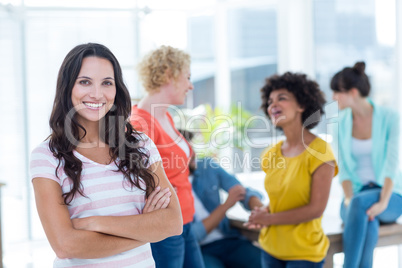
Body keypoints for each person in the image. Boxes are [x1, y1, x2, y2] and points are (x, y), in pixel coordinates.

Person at [30, 43, 182, 267]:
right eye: (85, 82)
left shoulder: (141, 145)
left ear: (116, 89)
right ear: (67, 87)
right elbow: (65, 245)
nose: (96, 93)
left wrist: (93, 223)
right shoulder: (46, 157)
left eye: (107, 83)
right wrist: (145, 227)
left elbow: (172, 223)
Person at [245, 72, 338, 268]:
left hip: (304, 253)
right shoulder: (270, 154)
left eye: (282, 98)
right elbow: (283, 199)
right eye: (270, 101)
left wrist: (268, 218)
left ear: (302, 105)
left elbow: (315, 209)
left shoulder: (320, 151)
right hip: (270, 248)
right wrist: (263, 211)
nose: (273, 105)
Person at [130, 46, 204, 268]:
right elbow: (140, 182)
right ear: (168, 75)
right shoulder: (140, 123)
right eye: (187, 77)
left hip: (185, 220)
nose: (191, 85)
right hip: (166, 227)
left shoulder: (166, 117)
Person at [330, 61, 402, 268]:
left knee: (362, 207)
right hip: (354, 199)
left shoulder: (390, 118)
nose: (333, 97)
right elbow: (342, 170)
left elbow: (391, 165)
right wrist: (350, 199)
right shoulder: (339, 123)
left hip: (390, 196)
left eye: (337, 92)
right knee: (366, 220)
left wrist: (381, 203)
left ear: (353, 92)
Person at [179, 129, 263, 268]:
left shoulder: (207, 166)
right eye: (186, 148)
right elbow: (194, 236)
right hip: (199, 250)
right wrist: (225, 206)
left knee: (262, 261)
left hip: (228, 239)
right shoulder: (168, 187)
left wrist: (261, 211)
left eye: (191, 145)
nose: (193, 152)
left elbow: (241, 191)